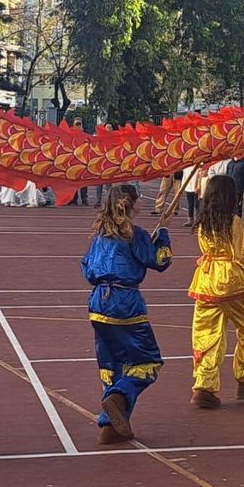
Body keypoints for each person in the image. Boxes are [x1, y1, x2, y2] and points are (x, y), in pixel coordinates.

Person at [84, 184, 171, 442]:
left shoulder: (100, 235)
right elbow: (160, 261)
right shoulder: (135, 235)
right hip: (125, 305)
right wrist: (163, 234)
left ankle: (110, 426)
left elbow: (88, 270)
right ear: (129, 203)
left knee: (112, 364)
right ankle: (117, 397)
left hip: (99, 303)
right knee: (147, 361)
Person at [188, 174, 244, 407]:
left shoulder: (204, 221)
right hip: (232, 281)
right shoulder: (231, 221)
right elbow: (241, 255)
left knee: (206, 334)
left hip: (206, 279)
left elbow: (221, 244)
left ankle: (204, 385)